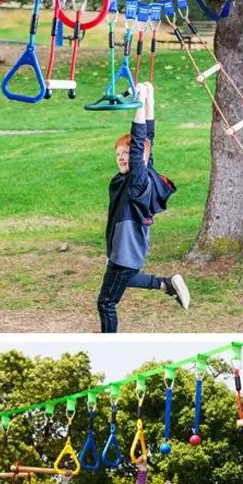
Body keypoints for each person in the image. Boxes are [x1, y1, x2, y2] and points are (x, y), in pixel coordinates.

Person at [97, 81, 190, 332]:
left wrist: (137, 103)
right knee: (120, 281)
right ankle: (165, 284)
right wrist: (149, 100)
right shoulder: (138, 176)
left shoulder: (138, 181)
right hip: (128, 249)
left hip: (125, 251)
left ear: (140, 158)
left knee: (106, 303)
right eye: (118, 154)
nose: (122, 157)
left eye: (127, 153)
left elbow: (140, 143)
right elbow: (148, 139)